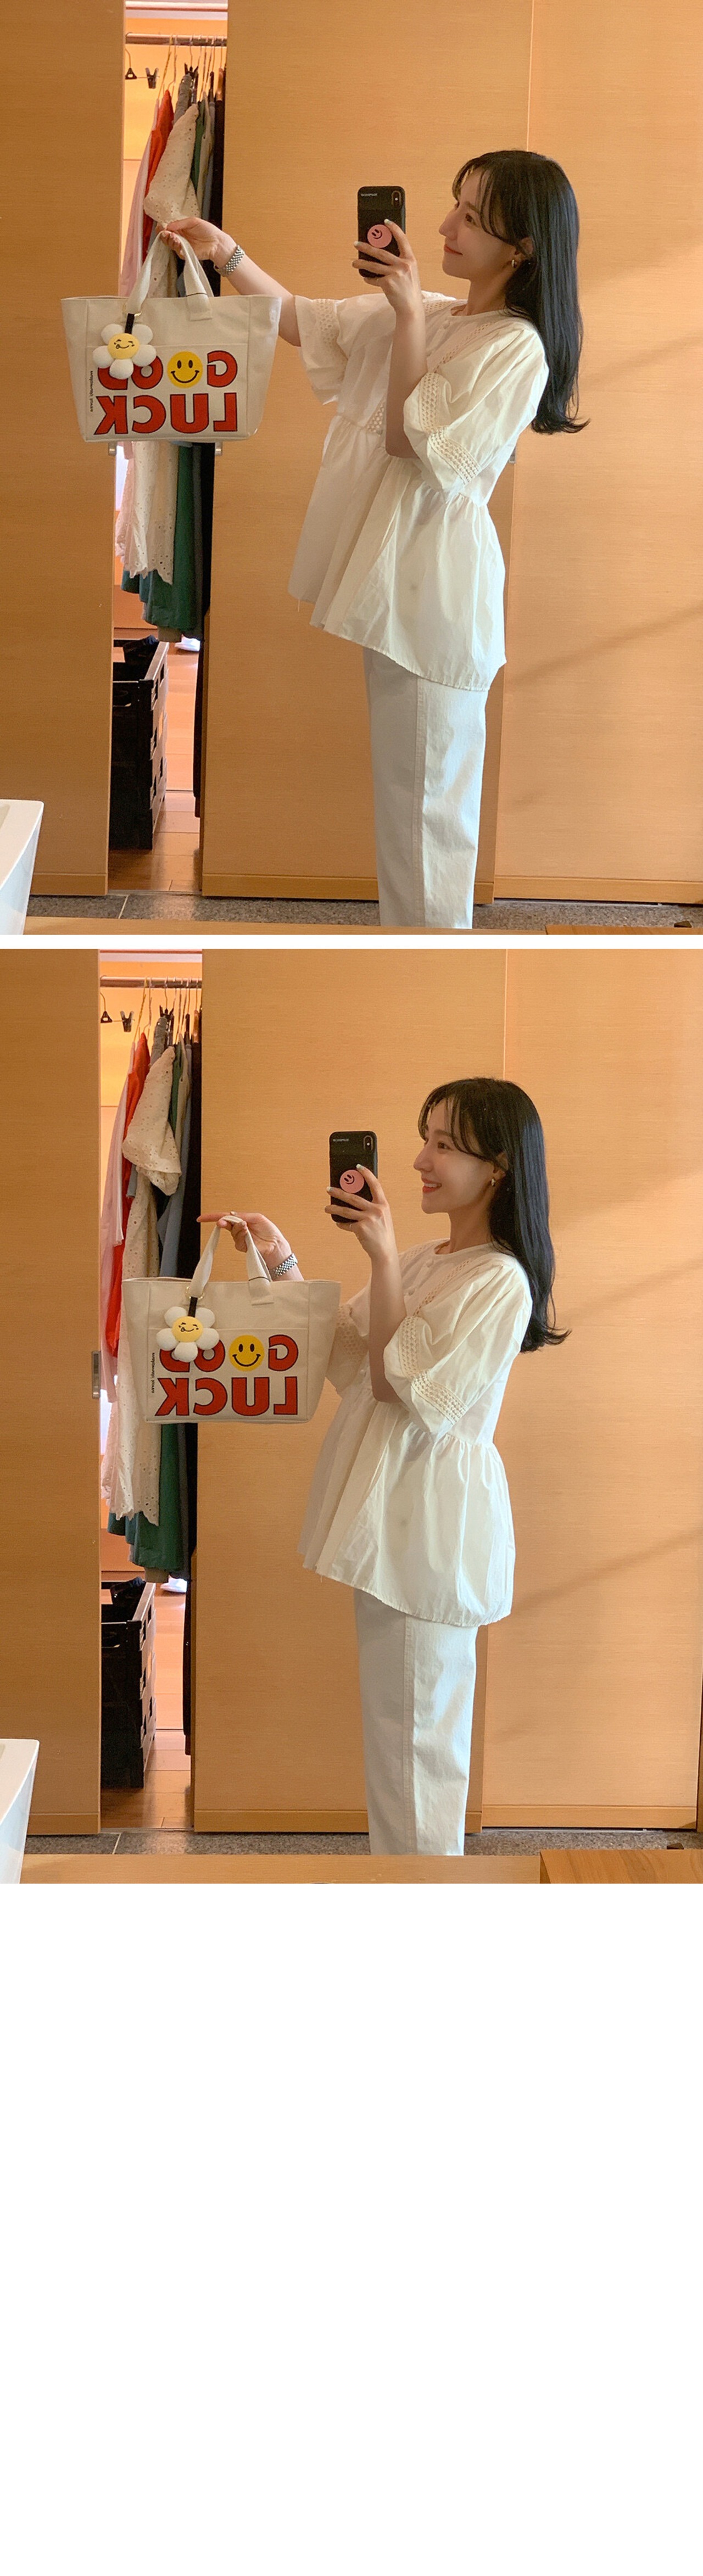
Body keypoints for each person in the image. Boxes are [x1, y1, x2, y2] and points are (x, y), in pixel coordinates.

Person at [161, 150, 585, 931]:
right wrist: (228, 253)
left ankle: (429, 967)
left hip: (435, 599)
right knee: (410, 805)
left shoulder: (515, 347)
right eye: (454, 204)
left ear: (521, 248)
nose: (444, 226)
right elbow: (304, 322)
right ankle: (416, 956)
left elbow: (407, 439)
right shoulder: (442, 314)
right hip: (398, 585)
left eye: (470, 217)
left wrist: (410, 315)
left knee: (428, 817)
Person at [200, 1076, 566, 1858]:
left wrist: (381, 1254)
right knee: (403, 1740)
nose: (420, 1161)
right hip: (395, 1514)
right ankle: (407, 1894)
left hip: (428, 1526)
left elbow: (406, 1387)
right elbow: (346, 1353)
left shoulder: (499, 1279)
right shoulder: (430, 1259)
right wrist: (280, 1257)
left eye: (444, 1145)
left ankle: (422, 1908)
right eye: (424, 1139)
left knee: (418, 1746)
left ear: (497, 1167)